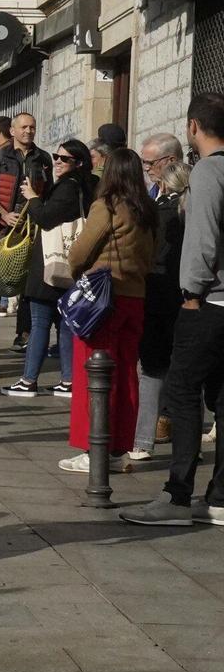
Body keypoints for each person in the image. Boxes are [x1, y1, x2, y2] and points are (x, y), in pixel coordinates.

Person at [125, 94, 224, 526]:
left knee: (182, 394)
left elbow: (202, 236)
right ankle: (220, 497)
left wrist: (191, 291)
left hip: (207, 300)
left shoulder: (208, 171)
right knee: (222, 399)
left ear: (193, 128)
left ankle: (177, 496)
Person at [53, 147, 158, 473]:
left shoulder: (108, 205)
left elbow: (81, 251)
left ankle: (92, 449)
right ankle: (118, 449)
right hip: (135, 297)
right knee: (127, 375)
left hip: (103, 299)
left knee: (93, 374)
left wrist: (76, 272)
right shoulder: (147, 210)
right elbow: (152, 257)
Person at [3, 140, 95, 398]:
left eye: (64, 159)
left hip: (51, 265)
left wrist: (32, 197)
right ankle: (68, 380)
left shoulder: (68, 187)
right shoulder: (86, 186)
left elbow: (45, 218)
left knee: (40, 322)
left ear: (78, 163)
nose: (57, 161)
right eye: (56, 156)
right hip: (71, 265)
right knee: (65, 325)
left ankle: (28, 379)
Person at [129, 136, 191, 462]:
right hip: (184, 294)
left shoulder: (168, 211)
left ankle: (143, 439)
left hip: (164, 293)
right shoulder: (180, 203)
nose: (147, 170)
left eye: (150, 164)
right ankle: (178, 441)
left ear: (168, 162)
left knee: (154, 367)